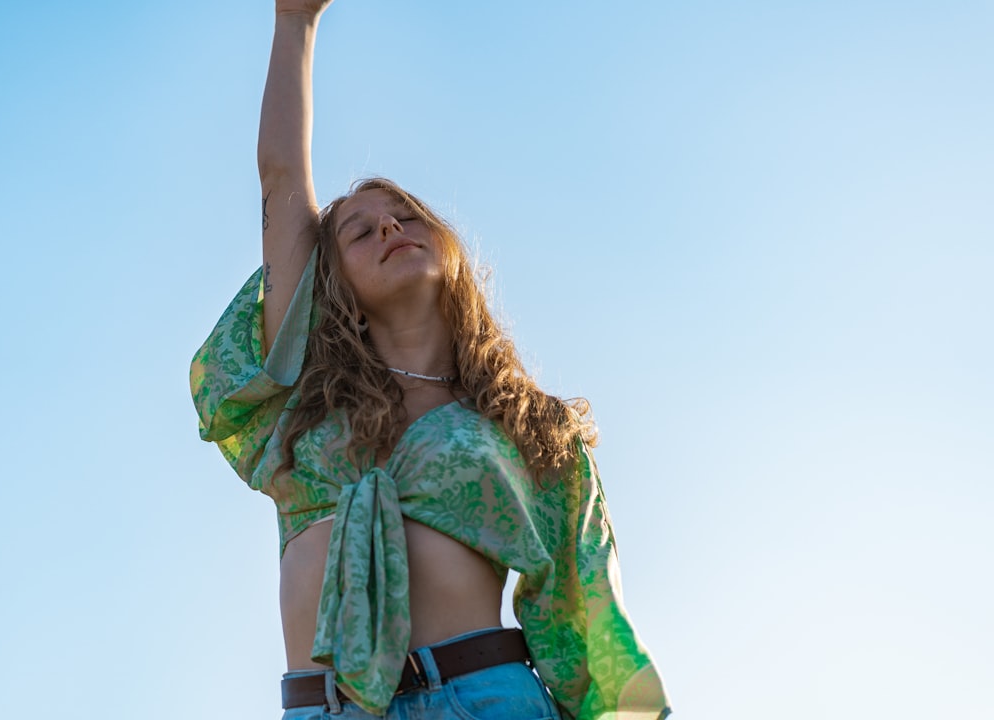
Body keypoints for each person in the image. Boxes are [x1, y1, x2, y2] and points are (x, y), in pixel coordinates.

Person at [189, 1, 671, 718]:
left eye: (407, 216)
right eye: (359, 232)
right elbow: (280, 177)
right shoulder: (302, 403)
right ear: (333, 287)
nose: (389, 225)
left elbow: (587, 610)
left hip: (486, 696)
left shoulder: (524, 425)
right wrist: (296, 22)